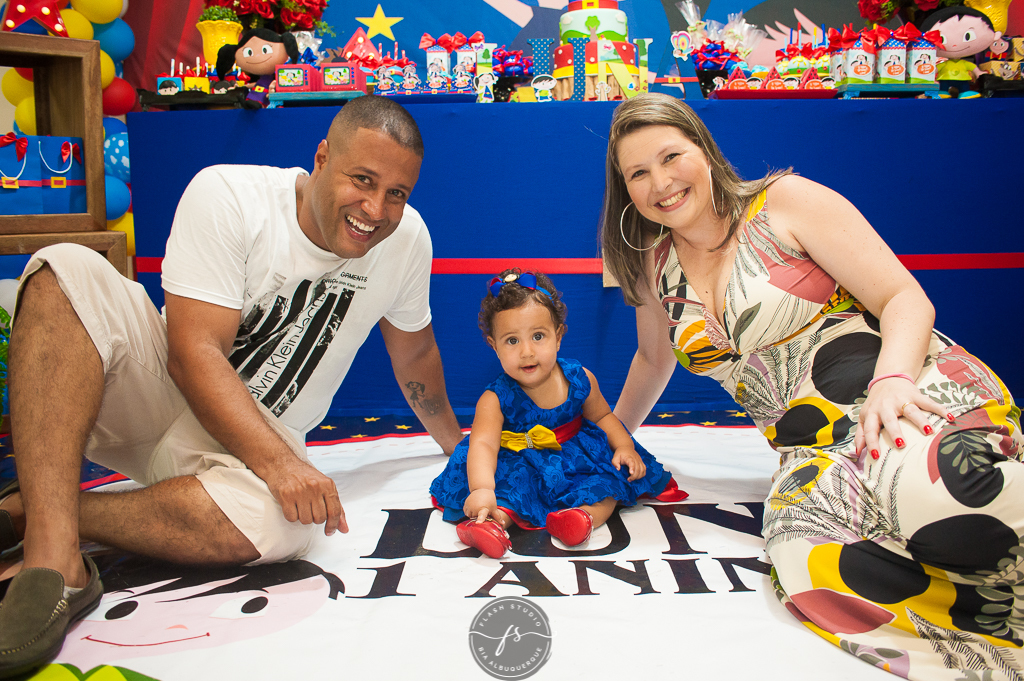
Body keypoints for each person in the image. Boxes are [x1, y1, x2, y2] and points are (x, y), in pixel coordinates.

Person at [0, 95, 464, 677]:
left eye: (397, 193)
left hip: (253, 443)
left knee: (285, 522)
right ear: (321, 158)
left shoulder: (406, 241)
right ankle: (54, 557)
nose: (375, 208)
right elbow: (193, 354)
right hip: (158, 394)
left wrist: (455, 444)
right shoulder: (230, 194)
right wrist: (281, 465)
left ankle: (36, 512)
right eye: (362, 180)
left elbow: (415, 350)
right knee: (63, 265)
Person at [602, 92, 1023, 680]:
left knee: (944, 492)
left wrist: (893, 382)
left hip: (895, 391)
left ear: (704, 147)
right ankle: (990, 655)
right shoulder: (653, 258)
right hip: (813, 450)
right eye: (638, 173)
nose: (661, 182)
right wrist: (611, 435)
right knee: (804, 564)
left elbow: (903, 297)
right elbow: (653, 357)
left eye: (671, 156)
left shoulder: (784, 202)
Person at [429, 269, 682, 559]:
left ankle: (580, 518)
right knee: (513, 491)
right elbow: (483, 444)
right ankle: (491, 524)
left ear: (558, 336)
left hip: (574, 459)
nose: (527, 352)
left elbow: (602, 417)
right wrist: (483, 488)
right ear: (493, 345)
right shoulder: (494, 398)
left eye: (538, 336)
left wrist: (624, 446)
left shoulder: (579, 378)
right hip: (518, 458)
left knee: (607, 485)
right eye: (512, 340)